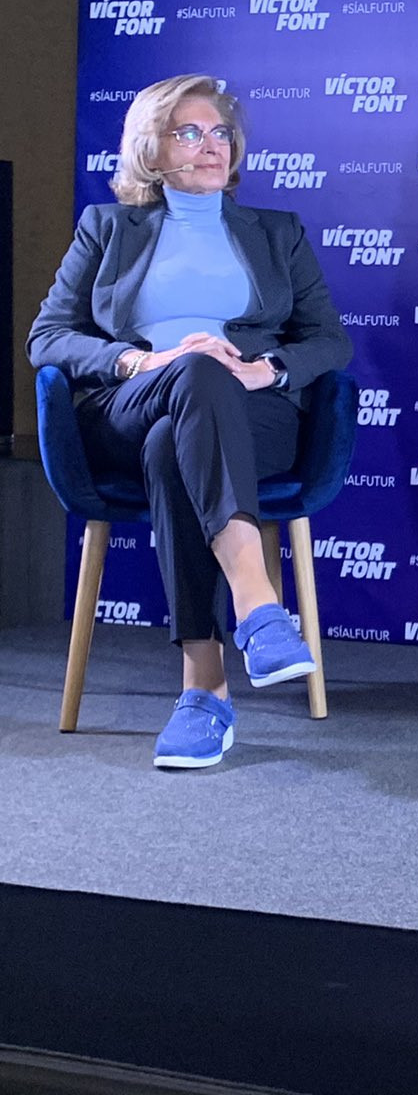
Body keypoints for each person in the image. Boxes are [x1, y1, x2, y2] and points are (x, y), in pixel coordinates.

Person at [29, 75, 353, 770]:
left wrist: (268, 371)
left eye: (221, 133)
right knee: (192, 376)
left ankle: (204, 687)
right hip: (132, 397)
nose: (212, 146)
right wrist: (141, 362)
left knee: (177, 440)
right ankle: (259, 609)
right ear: (152, 146)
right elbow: (48, 338)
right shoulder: (108, 228)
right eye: (189, 132)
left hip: (250, 411)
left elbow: (330, 340)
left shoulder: (276, 232)